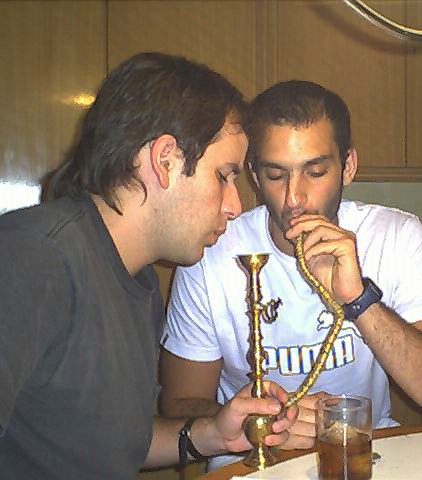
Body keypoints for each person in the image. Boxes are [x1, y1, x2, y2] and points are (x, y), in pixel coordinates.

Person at [0, 53, 297, 479]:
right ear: (165, 160)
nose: (235, 206)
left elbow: (117, 446)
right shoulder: (32, 258)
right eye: (223, 175)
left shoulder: (135, 278)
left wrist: (215, 434)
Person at [159, 80, 422, 468]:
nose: (295, 198)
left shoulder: (396, 237)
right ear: (254, 174)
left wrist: (359, 300)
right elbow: (179, 403)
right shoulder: (211, 251)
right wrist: (265, 425)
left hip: (364, 455)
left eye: (316, 171)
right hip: (251, 462)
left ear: (348, 167)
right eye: (276, 175)